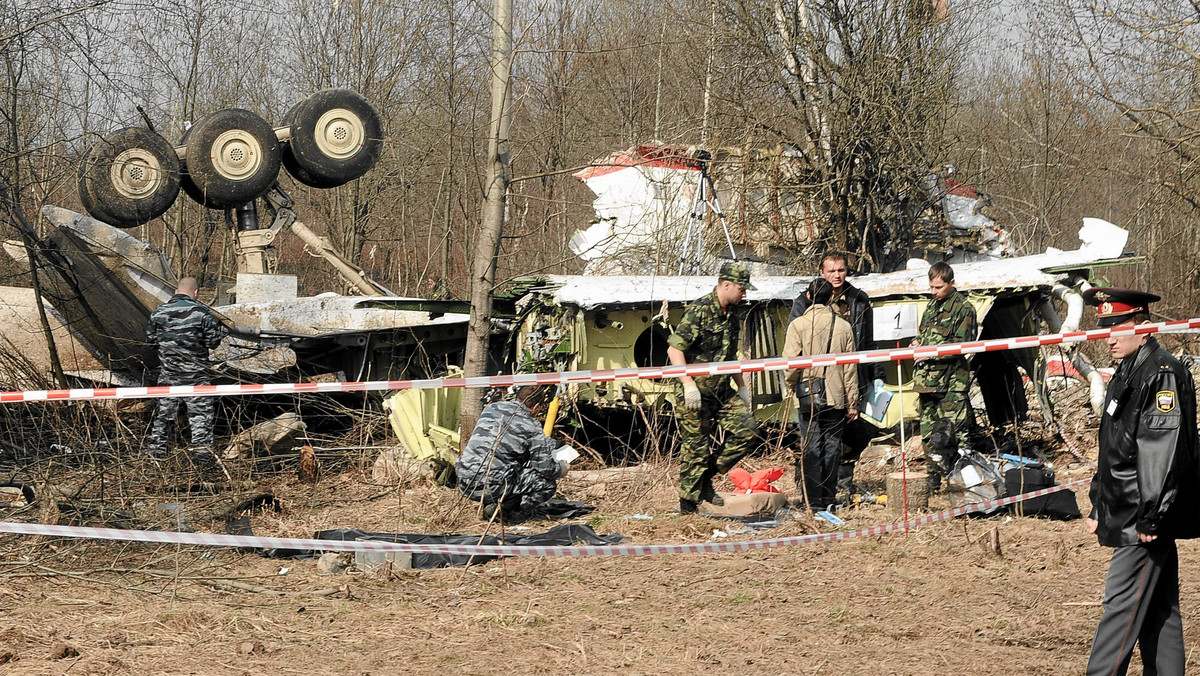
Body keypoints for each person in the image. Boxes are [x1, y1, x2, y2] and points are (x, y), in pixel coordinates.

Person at [1082, 287, 1199, 676]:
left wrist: (1152, 516)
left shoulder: (1161, 373)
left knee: (1120, 608)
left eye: (1118, 325)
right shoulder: (1127, 371)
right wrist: (1099, 499)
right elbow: (1114, 442)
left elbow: (1163, 452)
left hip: (1143, 517)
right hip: (1131, 510)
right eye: (1106, 327)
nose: (1109, 336)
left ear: (1145, 326)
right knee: (1159, 610)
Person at [788, 252, 883, 496]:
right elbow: (795, 349)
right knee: (814, 440)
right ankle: (811, 489)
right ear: (822, 272)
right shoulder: (803, 302)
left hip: (851, 379)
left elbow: (869, 343)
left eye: (840, 270)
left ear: (846, 271)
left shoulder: (859, 299)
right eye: (831, 271)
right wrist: (793, 384)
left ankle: (838, 486)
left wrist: (877, 377)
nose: (836, 275)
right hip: (812, 383)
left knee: (850, 436)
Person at [666, 261, 757, 514]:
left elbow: (731, 355)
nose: (744, 293)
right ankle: (688, 504)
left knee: (748, 431)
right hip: (694, 391)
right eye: (741, 288)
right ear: (725, 285)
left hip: (721, 390)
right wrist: (687, 384)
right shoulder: (700, 310)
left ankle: (706, 477)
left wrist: (742, 388)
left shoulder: (733, 313)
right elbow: (674, 349)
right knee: (695, 447)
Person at [783, 278, 858, 511]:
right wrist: (852, 402)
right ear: (832, 298)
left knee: (811, 447)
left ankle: (812, 501)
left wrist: (791, 385)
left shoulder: (798, 325)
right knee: (833, 447)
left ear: (808, 296)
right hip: (836, 397)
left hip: (808, 397)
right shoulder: (844, 327)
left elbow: (790, 364)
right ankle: (828, 498)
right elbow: (850, 368)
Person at [144, 277, 228, 467]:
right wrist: (221, 331)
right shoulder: (202, 313)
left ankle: (155, 456)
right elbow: (213, 343)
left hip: (168, 375)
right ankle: (202, 459)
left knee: (163, 417)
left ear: (176, 291)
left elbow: (151, 343)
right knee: (200, 418)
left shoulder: (158, 312)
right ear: (196, 292)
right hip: (196, 376)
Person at [455, 385, 572, 520]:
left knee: (503, 467)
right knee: (547, 484)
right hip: (493, 486)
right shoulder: (532, 426)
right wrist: (561, 468)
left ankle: (493, 503)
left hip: (465, 482)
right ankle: (507, 511)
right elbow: (545, 469)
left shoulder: (492, 408)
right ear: (537, 407)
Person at [911, 262, 977, 488]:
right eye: (931, 287)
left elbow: (961, 345)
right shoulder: (931, 306)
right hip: (927, 382)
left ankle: (964, 480)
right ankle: (933, 478)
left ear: (951, 283)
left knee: (957, 432)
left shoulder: (963, 308)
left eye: (938, 287)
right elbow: (925, 335)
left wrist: (928, 354)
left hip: (951, 382)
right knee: (929, 433)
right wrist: (918, 344)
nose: (934, 292)